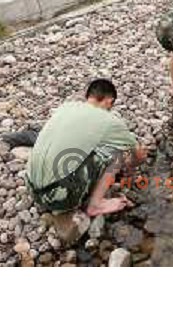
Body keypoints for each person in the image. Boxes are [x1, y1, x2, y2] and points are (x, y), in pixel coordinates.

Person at [27, 79, 147, 217]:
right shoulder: (109, 121)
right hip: (58, 197)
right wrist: (130, 165)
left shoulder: (66, 107)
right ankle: (96, 205)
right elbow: (138, 155)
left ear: (88, 96)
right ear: (109, 101)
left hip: (31, 188)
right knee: (117, 154)